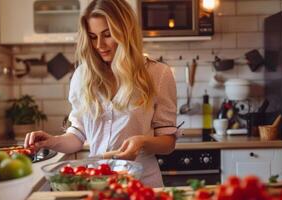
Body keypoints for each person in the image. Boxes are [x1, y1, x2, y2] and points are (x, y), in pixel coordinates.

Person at [24, 0, 178, 187]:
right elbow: (77, 136)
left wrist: (142, 142)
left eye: (107, 35)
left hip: (142, 184)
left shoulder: (158, 74)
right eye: (92, 36)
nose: (99, 45)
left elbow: (168, 143)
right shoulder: (83, 76)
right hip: (97, 183)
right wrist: (51, 141)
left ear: (125, 32)